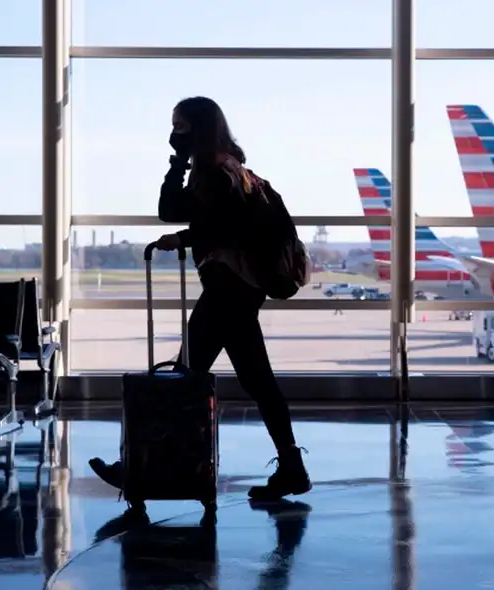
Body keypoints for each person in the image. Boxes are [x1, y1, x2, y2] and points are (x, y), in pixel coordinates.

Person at [90, 96, 311, 502]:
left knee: (185, 378)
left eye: (180, 125)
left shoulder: (215, 170)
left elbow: (224, 226)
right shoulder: (229, 166)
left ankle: (139, 466)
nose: (174, 132)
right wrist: (178, 161)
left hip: (227, 288)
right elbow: (171, 209)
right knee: (248, 379)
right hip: (238, 289)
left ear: (198, 127)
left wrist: (185, 238)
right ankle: (291, 465)